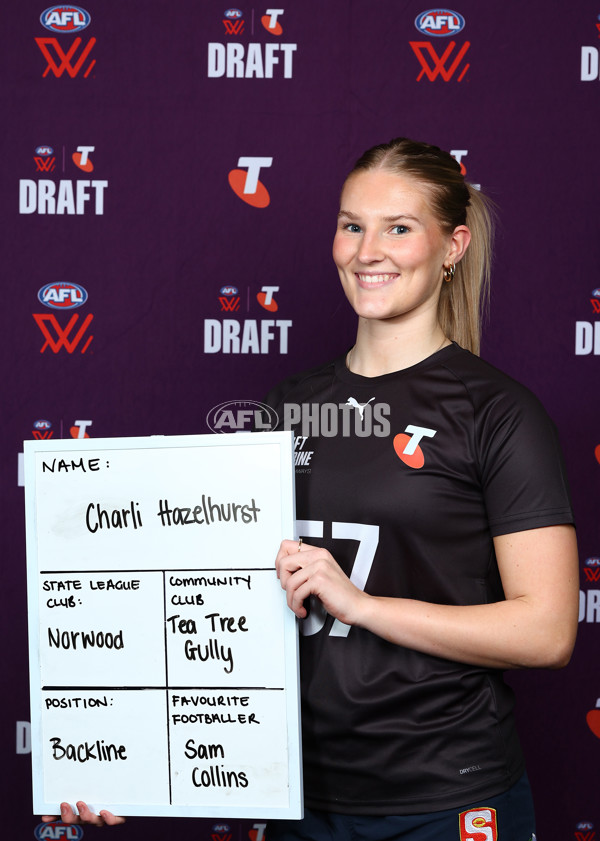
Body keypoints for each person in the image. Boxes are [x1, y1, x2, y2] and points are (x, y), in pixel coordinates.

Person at [47, 138, 578, 839]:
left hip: (445, 796)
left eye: (398, 228)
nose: (367, 251)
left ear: (452, 246)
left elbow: (546, 631)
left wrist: (364, 606)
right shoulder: (286, 406)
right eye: (352, 225)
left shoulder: (498, 413)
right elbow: (208, 602)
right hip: (298, 793)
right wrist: (124, 750)